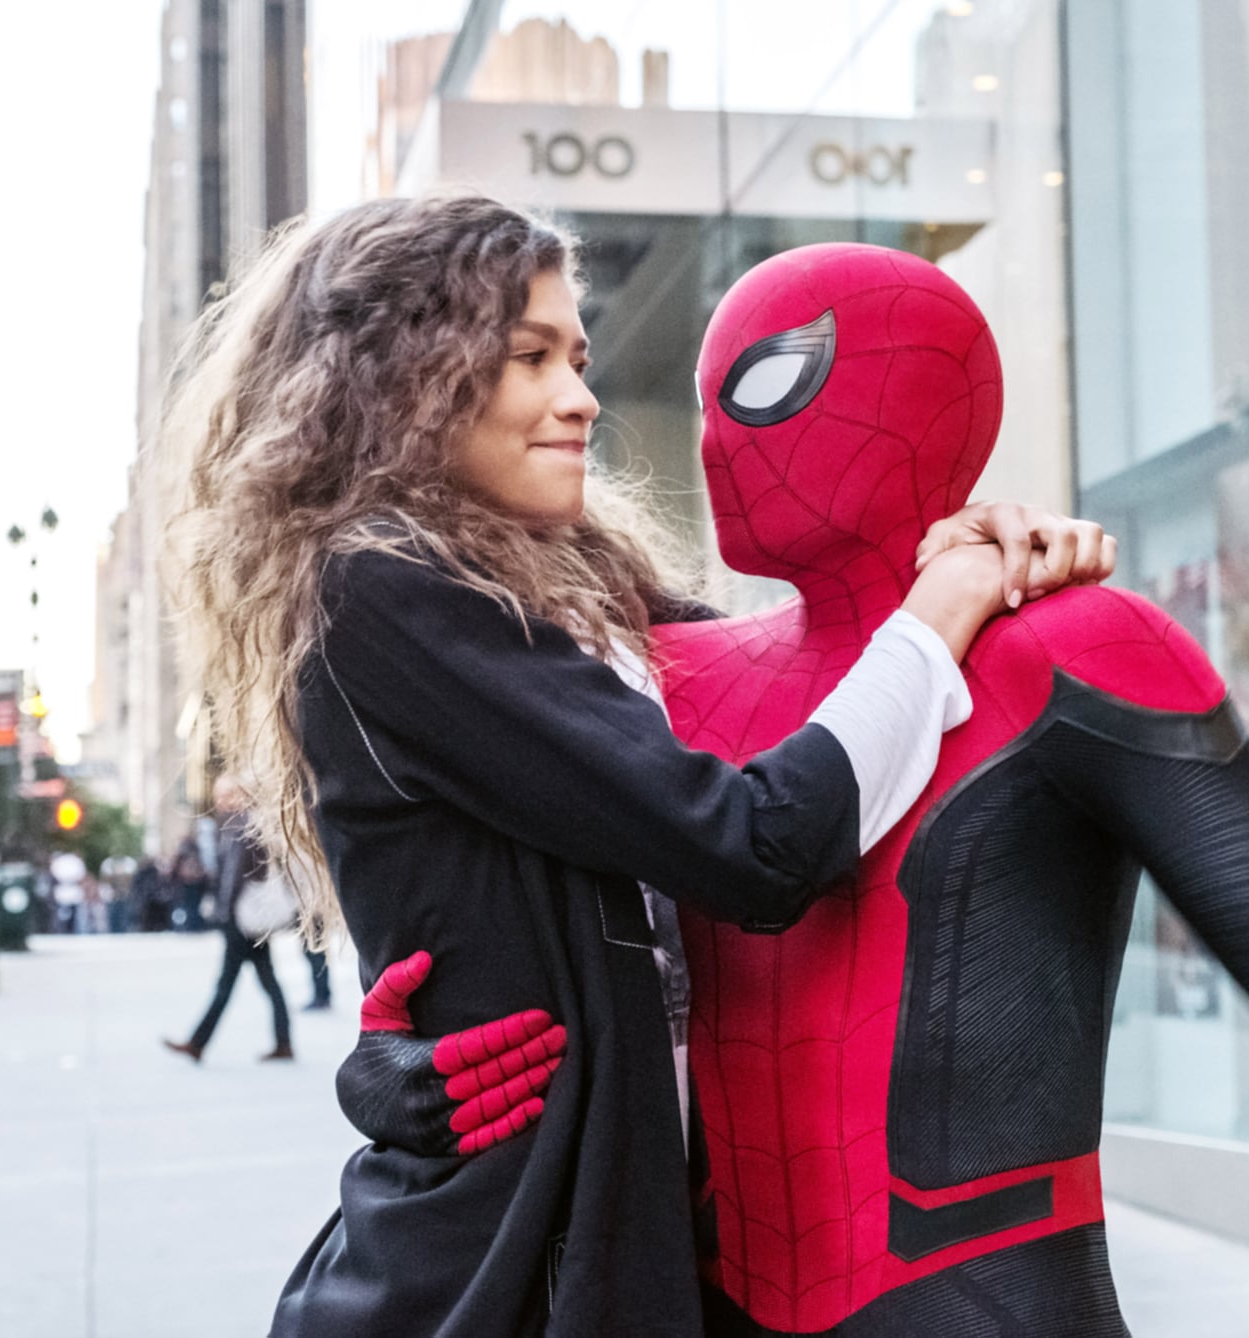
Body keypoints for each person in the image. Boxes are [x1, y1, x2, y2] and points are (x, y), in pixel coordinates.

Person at [343, 244, 1249, 1335]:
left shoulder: (1065, 649)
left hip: (982, 1296)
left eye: (766, 382)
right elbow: (467, 862)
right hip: (692, 1299)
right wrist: (400, 1065)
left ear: (921, 395)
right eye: (710, 393)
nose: (716, 433)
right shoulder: (654, 671)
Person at [159, 193, 1106, 1336]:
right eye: (528, 358)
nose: (580, 397)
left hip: (661, 1237)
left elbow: (812, 700)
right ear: (405, 379)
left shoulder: (576, 582)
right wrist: (937, 608)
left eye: (579, 355)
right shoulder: (387, 593)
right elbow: (756, 839)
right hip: (504, 1277)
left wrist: (977, 561)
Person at [161, 775, 294, 1063]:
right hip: (246, 918)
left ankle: (198, 1042)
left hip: (241, 918)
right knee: (267, 981)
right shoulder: (241, 825)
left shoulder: (242, 825)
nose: (220, 800)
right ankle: (283, 1042)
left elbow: (235, 875)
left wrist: (225, 911)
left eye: (226, 794)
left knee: (228, 984)